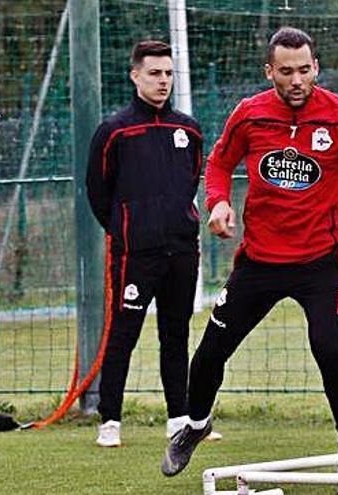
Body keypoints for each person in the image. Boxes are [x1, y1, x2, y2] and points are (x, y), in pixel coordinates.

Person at [160, 27, 338, 495]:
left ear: (316, 68)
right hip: (258, 261)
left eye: (304, 70)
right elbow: (218, 164)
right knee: (209, 354)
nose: (296, 79)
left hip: (323, 263)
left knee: (329, 350)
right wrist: (218, 202)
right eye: (286, 72)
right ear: (270, 72)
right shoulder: (251, 115)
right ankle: (196, 425)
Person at [85, 40, 220, 447]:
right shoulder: (115, 131)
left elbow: (192, 179)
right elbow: (97, 190)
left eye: (168, 73)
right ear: (135, 76)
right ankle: (110, 421)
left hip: (181, 250)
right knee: (123, 334)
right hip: (135, 253)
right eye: (154, 73)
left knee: (175, 335)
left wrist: (179, 222)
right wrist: (126, 229)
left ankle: (179, 418)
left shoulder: (188, 128)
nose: (163, 81)